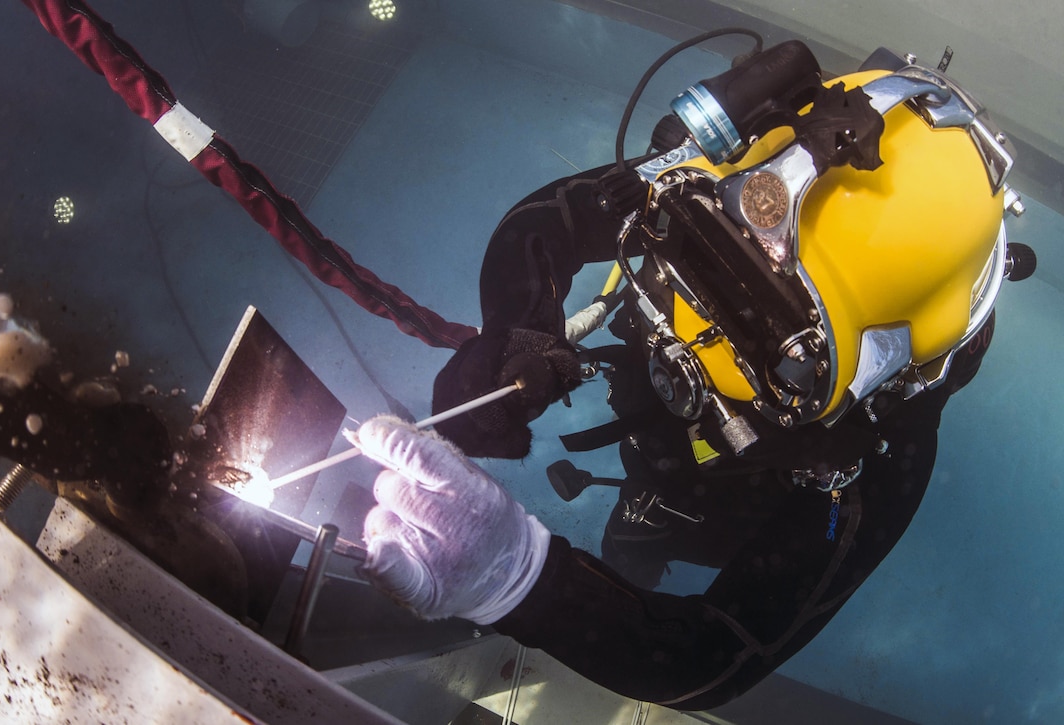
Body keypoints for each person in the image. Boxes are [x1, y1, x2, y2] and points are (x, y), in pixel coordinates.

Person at [348, 40, 1033, 710]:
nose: (696, 327)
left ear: (878, 377)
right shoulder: (726, 173)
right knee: (633, 531)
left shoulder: (877, 465)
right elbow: (547, 223)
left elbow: (709, 656)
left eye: (773, 342)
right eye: (706, 251)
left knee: (639, 541)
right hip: (659, 449)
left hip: (729, 505)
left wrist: (520, 579)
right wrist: (517, 330)